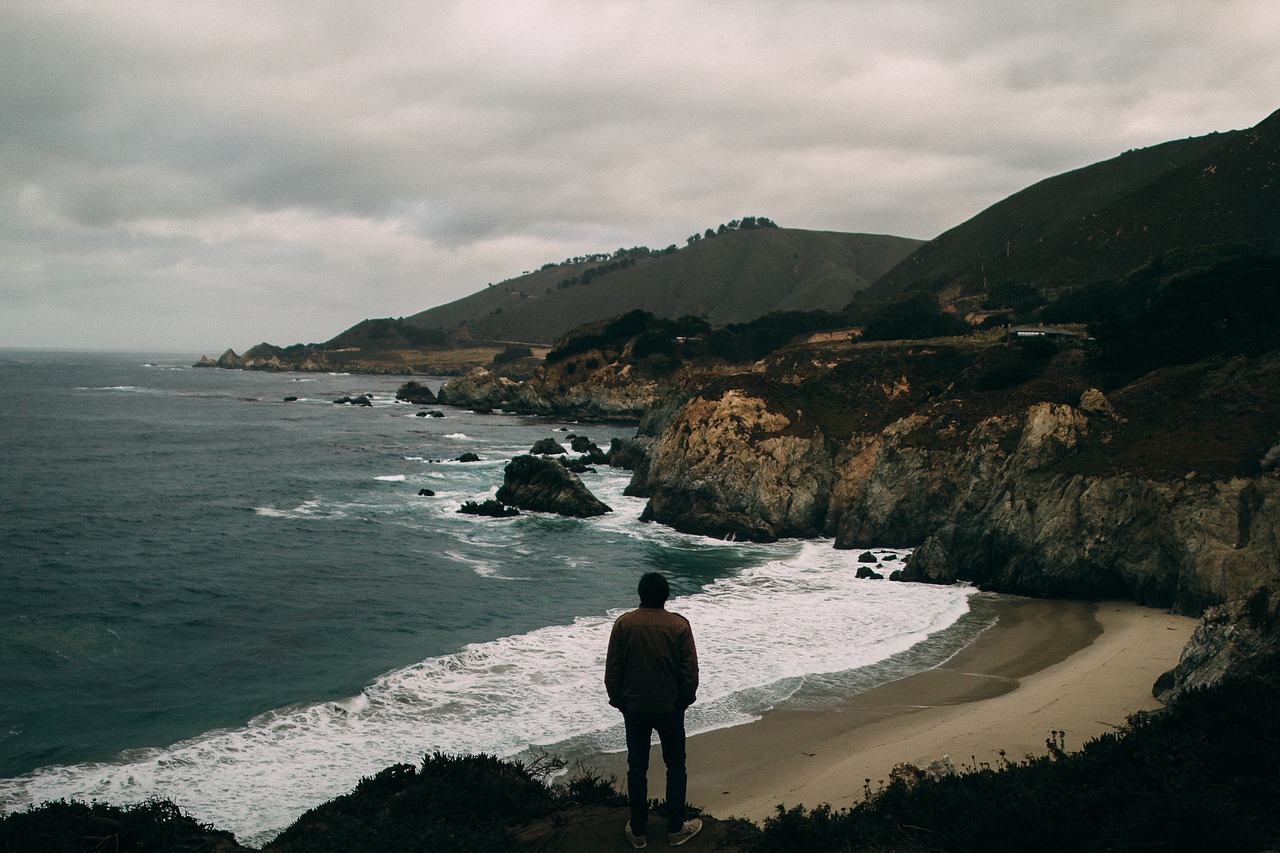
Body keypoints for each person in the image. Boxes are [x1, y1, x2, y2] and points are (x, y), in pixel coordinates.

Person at [605, 572, 703, 848]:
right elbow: (689, 671)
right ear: (665, 596)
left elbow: (613, 668)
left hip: (634, 706)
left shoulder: (624, 624)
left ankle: (638, 831)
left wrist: (618, 699)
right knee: (675, 765)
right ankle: (675, 829)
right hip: (670, 706)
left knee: (637, 768)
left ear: (640, 594)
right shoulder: (679, 626)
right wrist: (685, 700)